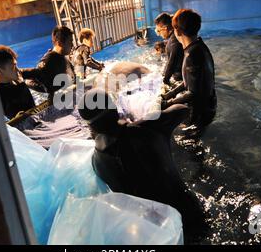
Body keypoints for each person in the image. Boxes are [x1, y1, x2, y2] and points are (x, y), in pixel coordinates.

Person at [77, 88, 208, 243]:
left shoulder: (96, 161)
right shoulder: (147, 128)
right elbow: (183, 110)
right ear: (115, 109)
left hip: (154, 233)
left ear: (90, 126)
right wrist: (156, 110)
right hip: (190, 217)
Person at [161, 9, 217, 129]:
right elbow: (191, 82)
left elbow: (193, 93)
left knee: (189, 142)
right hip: (208, 106)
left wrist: (167, 104)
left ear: (178, 31)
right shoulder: (199, 46)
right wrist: (171, 94)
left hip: (199, 113)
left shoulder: (192, 55)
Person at [22, 26, 75, 97]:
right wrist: (19, 73)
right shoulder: (50, 59)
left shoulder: (63, 59)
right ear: (60, 43)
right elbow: (36, 73)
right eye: (70, 41)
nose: (72, 45)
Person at [0, 45, 36, 119]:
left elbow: (34, 109)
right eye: (13, 67)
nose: (18, 70)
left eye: (16, 65)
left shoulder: (17, 81)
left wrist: (22, 85)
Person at [154, 12, 184, 85]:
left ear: (165, 28)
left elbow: (171, 64)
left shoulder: (173, 43)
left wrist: (165, 80)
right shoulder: (177, 38)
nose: (159, 35)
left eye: (158, 31)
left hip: (180, 79)